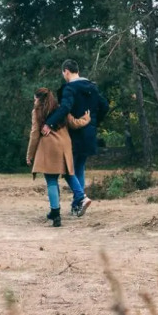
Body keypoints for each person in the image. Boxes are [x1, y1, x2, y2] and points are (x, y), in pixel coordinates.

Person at [41, 59, 109, 216]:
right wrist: (93, 123)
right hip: (89, 134)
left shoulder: (70, 88)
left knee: (67, 169)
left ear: (66, 71)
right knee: (79, 168)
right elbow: (104, 106)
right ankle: (76, 206)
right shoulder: (92, 87)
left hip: (75, 136)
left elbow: (65, 107)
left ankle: (81, 197)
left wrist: (49, 123)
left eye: (63, 73)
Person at [27, 87, 75, 227]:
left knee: (51, 181)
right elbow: (72, 123)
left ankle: (56, 213)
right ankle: (79, 197)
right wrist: (86, 119)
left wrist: (30, 155)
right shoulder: (59, 108)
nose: (34, 101)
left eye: (35, 98)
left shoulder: (37, 112)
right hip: (64, 146)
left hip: (49, 148)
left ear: (38, 99)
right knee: (69, 175)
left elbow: (35, 133)